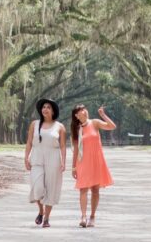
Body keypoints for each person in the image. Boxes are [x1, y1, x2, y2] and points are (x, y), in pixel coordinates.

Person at [70, 104, 116, 228]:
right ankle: (83, 216)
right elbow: (75, 150)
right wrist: (73, 167)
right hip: (83, 162)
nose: (84, 112)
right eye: (80, 111)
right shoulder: (76, 129)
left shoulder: (94, 123)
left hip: (96, 160)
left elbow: (112, 126)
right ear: (76, 115)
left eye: (85, 109)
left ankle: (92, 216)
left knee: (95, 189)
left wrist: (103, 115)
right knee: (83, 188)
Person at [24, 97, 66, 228]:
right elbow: (29, 142)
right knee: (37, 187)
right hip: (37, 157)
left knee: (51, 188)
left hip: (53, 159)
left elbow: (63, 146)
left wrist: (63, 161)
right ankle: (41, 211)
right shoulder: (34, 124)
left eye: (48, 107)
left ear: (53, 111)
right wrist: (26, 157)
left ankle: (46, 218)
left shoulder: (60, 127)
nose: (45, 109)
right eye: (43, 107)